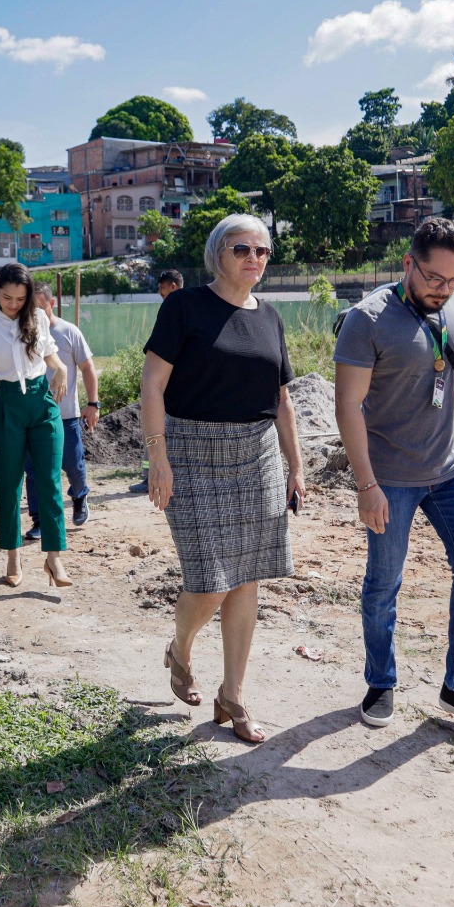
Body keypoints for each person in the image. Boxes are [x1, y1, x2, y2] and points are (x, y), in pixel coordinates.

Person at [333, 216, 454, 734]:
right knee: (384, 583)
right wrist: (366, 485)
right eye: (435, 279)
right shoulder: (368, 320)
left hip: (452, 469)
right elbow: (347, 406)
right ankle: (381, 682)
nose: (445, 290)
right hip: (389, 475)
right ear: (408, 263)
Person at [141, 218, 301, 744]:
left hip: (256, 458)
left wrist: (295, 466)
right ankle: (180, 649)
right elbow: (153, 384)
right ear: (218, 253)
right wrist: (157, 457)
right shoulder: (184, 307)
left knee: (248, 576)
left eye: (263, 250)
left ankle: (233, 695)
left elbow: (282, 402)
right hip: (189, 452)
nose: (254, 257)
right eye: (242, 248)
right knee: (210, 578)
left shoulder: (270, 318)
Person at [0, 263, 72, 588]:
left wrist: (62, 369)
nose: (12, 304)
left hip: (42, 403)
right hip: (6, 406)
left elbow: (50, 355)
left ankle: (54, 557)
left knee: (50, 481)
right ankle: (13, 554)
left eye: (19, 299)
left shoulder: (38, 317)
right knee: (8, 483)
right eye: (6, 297)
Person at [23, 283, 98, 537]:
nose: (36, 313)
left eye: (40, 306)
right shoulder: (21, 333)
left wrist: (93, 404)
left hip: (66, 416)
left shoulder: (68, 332)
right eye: (31, 307)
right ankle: (39, 520)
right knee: (34, 470)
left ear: (51, 304)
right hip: (33, 417)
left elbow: (88, 368)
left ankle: (79, 496)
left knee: (73, 465)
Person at [131, 270, 186, 495]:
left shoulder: (172, 308)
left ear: (172, 286)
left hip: (165, 387)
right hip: (179, 387)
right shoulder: (193, 306)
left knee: (152, 431)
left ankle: (148, 477)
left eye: (161, 287)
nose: (159, 292)